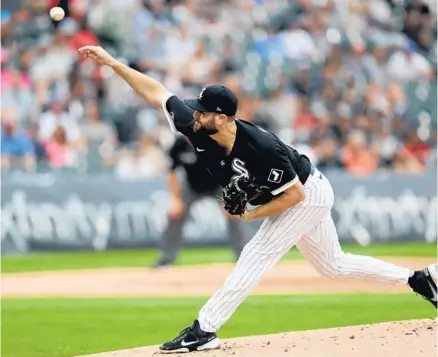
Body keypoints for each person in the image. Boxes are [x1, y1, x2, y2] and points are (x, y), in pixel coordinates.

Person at [78, 46, 437, 354]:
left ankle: (204, 329)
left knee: (256, 254)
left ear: (222, 117)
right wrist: (112, 63)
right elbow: (157, 92)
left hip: (306, 193)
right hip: (298, 192)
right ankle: (419, 280)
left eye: (202, 111)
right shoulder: (198, 126)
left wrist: (252, 217)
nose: (195, 114)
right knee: (333, 265)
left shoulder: (260, 148)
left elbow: (294, 194)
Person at [153, 134, 248, 267]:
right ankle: (166, 258)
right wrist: (175, 199)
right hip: (192, 186)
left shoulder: (217, 141)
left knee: (235, 212)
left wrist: (230, 195)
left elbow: (232, 168)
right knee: (175, 214)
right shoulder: (179, 145)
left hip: (219, 184)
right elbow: (172, 172)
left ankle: (243, 256)